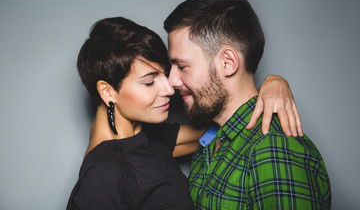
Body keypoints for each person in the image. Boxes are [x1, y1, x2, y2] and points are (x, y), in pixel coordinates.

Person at [67, 16, 302, 209]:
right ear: (108, 92)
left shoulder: (143, 138)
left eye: (165, 74)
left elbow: (227, 123)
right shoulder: (103, 174)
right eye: (149, 82)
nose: (169, 88)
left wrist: (272, 84)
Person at [164, 0, 331, 209]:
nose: (171, 81)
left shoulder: (272, 148)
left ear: (228, 63)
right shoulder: (211, 140)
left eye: (182, 66)